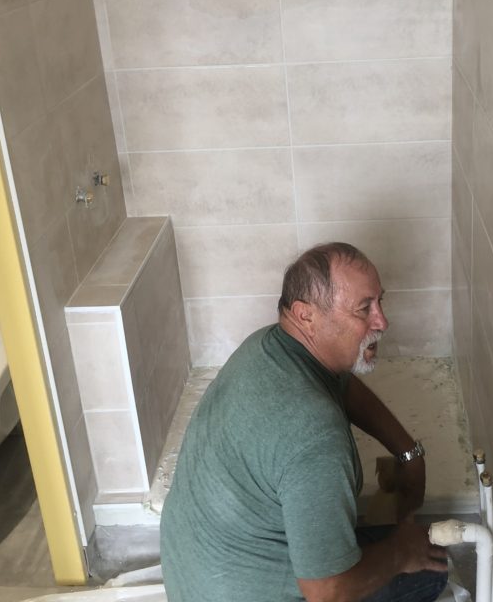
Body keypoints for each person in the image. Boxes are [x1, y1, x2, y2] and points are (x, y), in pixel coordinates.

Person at [161, 242, 449, 602]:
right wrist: (400, 553)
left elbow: (341, 384)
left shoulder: (267, 346)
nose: (382, 321)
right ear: (306, 315)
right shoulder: (316, 437)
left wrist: (408, 453)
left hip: (193, 571)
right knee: (428, 572)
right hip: (246, 588)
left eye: (380, 302)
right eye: (364, 309)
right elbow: (327, 592)